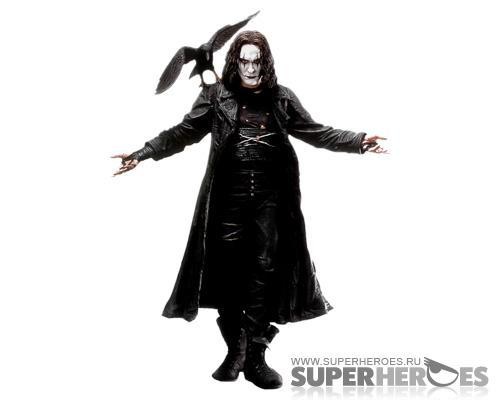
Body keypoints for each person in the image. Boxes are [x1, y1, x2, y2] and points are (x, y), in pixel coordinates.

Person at [112, 30, 387, 390]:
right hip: (228, 195)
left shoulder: (282, 97)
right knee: (227, 271)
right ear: (235, 61)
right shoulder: (215, 96)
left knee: (264, 270)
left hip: (271, 198)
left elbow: (316, 131)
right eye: (244, 60)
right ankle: (235, 349)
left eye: (257, 61)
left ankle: (255, 354)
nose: (251, 68)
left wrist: (358, 142)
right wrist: (143, 153)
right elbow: (183, 132)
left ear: (265, 62)